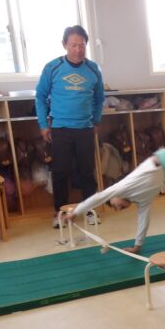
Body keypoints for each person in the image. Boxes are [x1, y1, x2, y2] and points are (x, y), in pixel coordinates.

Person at [66, 101, 165, 251]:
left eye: (113, 205)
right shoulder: (142, 201)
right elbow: (143, 220)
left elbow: (99, 197)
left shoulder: (123, 187)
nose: (117, 208)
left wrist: (76, 212)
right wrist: (137, 246)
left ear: (115, 196)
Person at [36, 25, 105, 229]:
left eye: (82, 45)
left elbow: (99, 98)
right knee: (60, 172)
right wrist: (43, 125)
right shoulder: (52, 67)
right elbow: (40, 97)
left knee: (87, 172)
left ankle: (90, 211)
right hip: (60, 129)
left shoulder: (93, 69)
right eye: (73, 45)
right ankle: (60, 213)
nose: (78, 49)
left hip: (85, 128)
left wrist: (96, 121)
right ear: (64, 45)